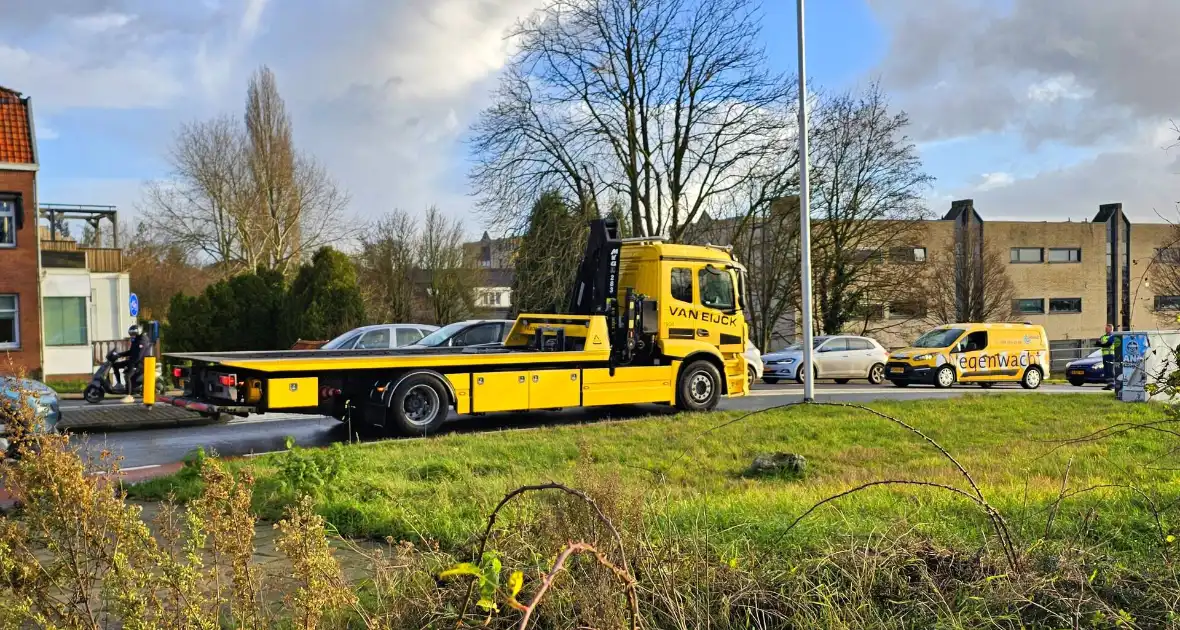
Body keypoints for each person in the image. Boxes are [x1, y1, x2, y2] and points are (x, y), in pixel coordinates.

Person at [112, 324, 148, 392]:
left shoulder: (143, 341)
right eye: (131, 334)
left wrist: (129, 365)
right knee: (115, 365)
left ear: (138, 332)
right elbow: (131, 352)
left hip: (140, 363)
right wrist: (119, 355)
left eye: (134, 334)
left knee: (127, 376)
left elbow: (139, 356)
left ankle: (129, 395)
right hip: (132, 361)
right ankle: (119, 384)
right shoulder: (135, 340)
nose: (132, 335)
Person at [1097, 324, 1120, 391]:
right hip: (1105, 355)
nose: (1105, 329)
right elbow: (1097, 343)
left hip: (1111, 355)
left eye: (1107, 328)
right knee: (1106, 370)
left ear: (1111, 329)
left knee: (1110, 370)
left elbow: (1108, 344)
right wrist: (1102, 344)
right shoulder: (1103, 336)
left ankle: (1112, 385)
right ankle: (1109, 384)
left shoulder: (1113, 336)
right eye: (1105, 328)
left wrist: (1102, 344)